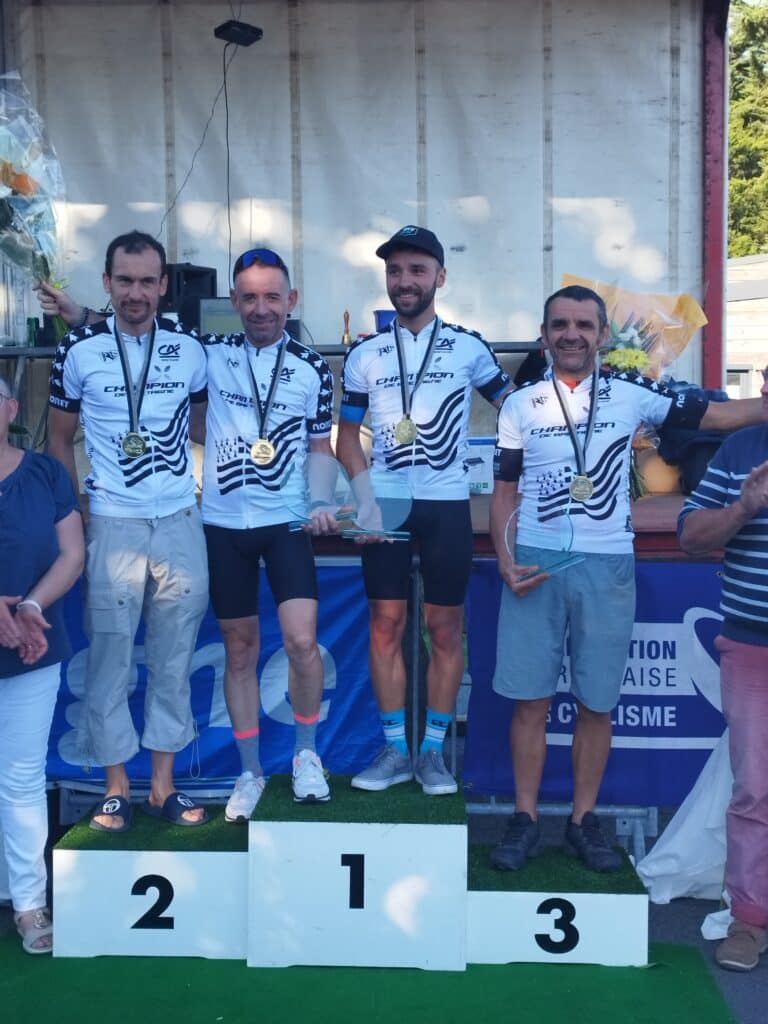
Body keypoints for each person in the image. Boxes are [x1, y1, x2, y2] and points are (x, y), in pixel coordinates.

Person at [489, 284, 767, 872]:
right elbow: (505, 491)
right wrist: (505, 557)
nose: (571, 334)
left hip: (608, 560)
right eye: (560, 325)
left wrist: (767, 406)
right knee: (530, 702)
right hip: (536, 560)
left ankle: (583, 821)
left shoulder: (632, 392)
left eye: (583, 325)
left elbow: (714, 415)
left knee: (597, 702)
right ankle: (524, 819)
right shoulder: (519, 405)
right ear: (543, 336)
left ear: (603, 336)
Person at [336, 225, 511, 796]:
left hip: (446, 504)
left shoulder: (469, 347)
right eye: (395, 271)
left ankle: (432, 753)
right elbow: (346, 438)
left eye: (416, 270)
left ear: (440, 276)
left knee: (444, 629)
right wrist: (365, 501)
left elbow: (515, 411)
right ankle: (395, 749)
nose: (404, 281)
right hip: (385, 504)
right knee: (385, 625)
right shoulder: (364, 352)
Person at [46, 230, 210, 831]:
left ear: (164, 285)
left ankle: (163, 786)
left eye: (147, 281)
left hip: (179, 518)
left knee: (174, 656)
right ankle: (115, 786)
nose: (135, 293)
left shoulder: (190, 348)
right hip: (112, 521)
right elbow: (59, 440)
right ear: (107, 282)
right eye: (125, 281)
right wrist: (76, 515)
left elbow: (202, 426)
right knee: (111, 655)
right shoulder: (78, 349)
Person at [192, 247, 337, 816]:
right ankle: (249, 772)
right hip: (224, 523)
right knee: (239, 649)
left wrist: (321, 500)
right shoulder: (209, 354)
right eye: (249, 297)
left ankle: (306, 755)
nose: (261, 308)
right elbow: (146, 334)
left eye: (272, 297)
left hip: (286, 523)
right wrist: (81, 316)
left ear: (291, 299)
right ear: (234, 301)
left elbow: (320, 446)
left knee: (302, 642)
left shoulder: (310, 367)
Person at [678, 367, 768, 972]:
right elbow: (690, 534)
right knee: (755, 788)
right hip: (752, 646)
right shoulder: (739, 451)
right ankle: (749, 920)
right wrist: (744, 507)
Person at [0, 374, 84, 953]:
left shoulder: (47, 474)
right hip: (23, 634)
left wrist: (28, 608)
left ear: (10, 409)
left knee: (22, 778)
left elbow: (72, 553)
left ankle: (29, 904)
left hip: (31, 644)